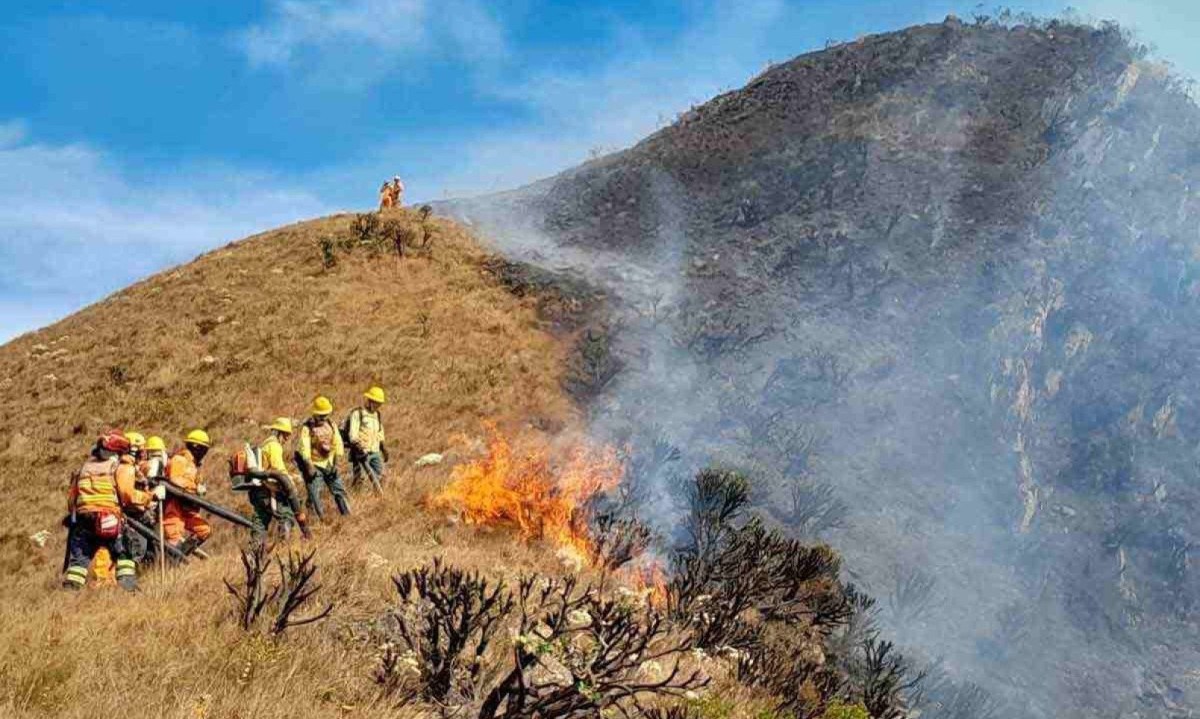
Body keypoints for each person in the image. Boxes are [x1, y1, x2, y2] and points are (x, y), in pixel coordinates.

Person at [62, 431, 138, 591]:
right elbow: (128, 495)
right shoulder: (118, 467)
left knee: (78, 564)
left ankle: (69, 593)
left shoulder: (83, 468)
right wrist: (150, 496)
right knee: (124, 555)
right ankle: (129, 590)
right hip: (109, 520)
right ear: (119, 452)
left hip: (84, 522)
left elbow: (71, 501)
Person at [92, 431, 156, 581]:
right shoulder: (126, 468)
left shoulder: (127, 467)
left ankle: (118, 584)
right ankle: (121, 584)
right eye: (141, 451)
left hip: (124, 517)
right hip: (128, 517)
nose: (143, 454)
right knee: (129, 553)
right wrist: (149, 497)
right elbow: (128, 495)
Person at [246, 418, 311, 541]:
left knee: (260, 523)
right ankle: (283, 548)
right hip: (269, 491)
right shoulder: (274, 446)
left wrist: (291, 476)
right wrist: (291, 482)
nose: (287, 438)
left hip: (259, 492)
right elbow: (278, 470)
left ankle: (255, 553)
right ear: (278, 432)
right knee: (286, 516)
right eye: (286, 435)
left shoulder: (266, 444)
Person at [296, 396, 350, 520]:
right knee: (315, 494)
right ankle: (320, 520)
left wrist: (336, 464)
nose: (323, 418)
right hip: (314, 465)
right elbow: (304, 448)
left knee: (339, 490)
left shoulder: (331, 424)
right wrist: (309, 467)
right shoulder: (307, 428)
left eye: (325, 415)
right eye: (321, 415)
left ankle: (346, 516)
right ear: (315, 414)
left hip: (329, 463)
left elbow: (338, 444)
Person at [163, 429, 213, 557]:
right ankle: (172, 562)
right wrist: (195, 487)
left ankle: (182, 553)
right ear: (196, 447)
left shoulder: (194, 466)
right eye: (203, 449)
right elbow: (175, 480)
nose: (204, 453)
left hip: (187, 508)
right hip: (173, 506)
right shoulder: (179, 460)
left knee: (204, 530)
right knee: (174, 536)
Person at [347, 386, 388, 490]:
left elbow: (380, 432)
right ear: (370, 400)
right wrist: (359, 448)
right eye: (376, 402)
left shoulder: (377, 415)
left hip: (375, 452)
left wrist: (383, 449)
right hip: (361, 452)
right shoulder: (357, 413)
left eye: (379, 403)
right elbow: (353, 435)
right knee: (360, 479)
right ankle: (357, 499)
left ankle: (378, 499)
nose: (378, 405)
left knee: (382, 477)